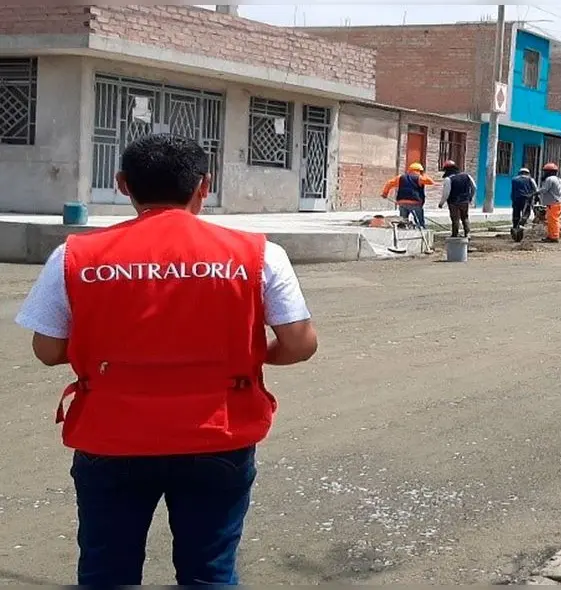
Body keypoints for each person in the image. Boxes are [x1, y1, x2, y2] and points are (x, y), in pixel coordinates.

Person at [14, 134, 318, 585]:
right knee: (209, 573)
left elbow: (48, 350)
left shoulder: (75, 256)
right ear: (204, 186)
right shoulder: (258, 255)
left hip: (110, 436)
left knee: (106, 573)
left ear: (121, 184)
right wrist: (250, 355)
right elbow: (299, 342)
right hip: (218, 433)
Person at [382, 162, 434, 229]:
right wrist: (423, 174)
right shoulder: (420, 178)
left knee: (403, 221)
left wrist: (385, 193)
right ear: (420, 171)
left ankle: (402, 232)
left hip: (402, 203)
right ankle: (421, 231)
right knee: (419, 222)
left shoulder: (400, 178)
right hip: (415, 203)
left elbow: (389, 183)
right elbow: (431, 182)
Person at [437, 159, 476, 238]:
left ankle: (455, 234)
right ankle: (467, 233)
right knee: (465, 217)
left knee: (455, 219)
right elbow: (474, 187)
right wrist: (470, 197)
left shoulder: (448, 179)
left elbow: (446, 193)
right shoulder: (466, 176)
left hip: (453, 202)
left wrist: (441, 203)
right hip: (465, 201)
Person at [533, 162, 561, 243]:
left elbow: (544, 189)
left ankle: (554, 237)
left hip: (553, 204)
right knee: (551, 221)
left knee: (553, 221)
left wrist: (535, 193)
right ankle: (551, 235)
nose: (544, 173)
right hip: (559, 203)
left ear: (549, 172)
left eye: (545, 171)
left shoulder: (549, 179)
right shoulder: (559, 179)